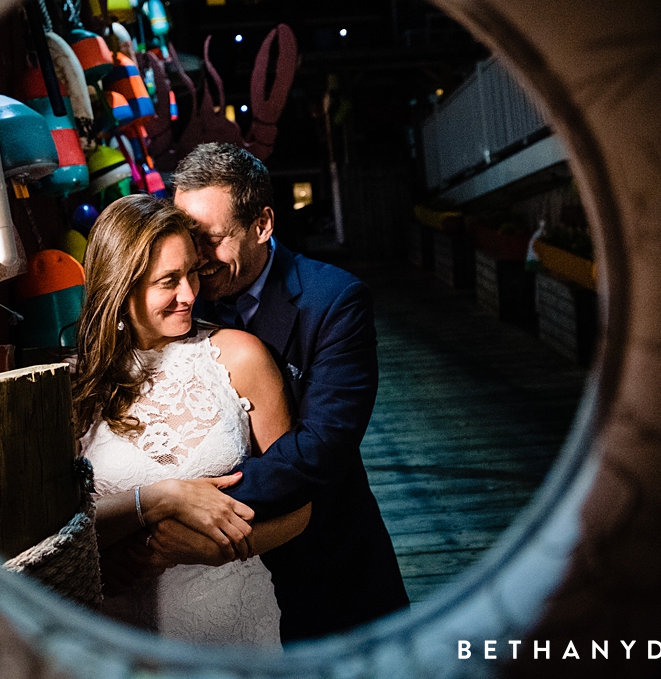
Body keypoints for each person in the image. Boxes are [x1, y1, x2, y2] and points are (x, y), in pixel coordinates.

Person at [156, 142, 409, 642]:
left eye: (212, 239)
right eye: (188, 237)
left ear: (263, 225)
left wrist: (194, 505)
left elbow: (321, 447)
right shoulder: (176, 299)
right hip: (200, 586)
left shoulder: (334, 300)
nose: (197, 259)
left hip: (322, 556)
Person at [73, 194, 311, 646]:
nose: (189, 295)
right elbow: (53, 527)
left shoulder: (240, 357)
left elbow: (299, 507)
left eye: (192, 274)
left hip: (234, 629)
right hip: (116, 638)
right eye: (168, 281)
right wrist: (159, 499)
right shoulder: (75, 385)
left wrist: (215, 550)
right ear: (121, 286)